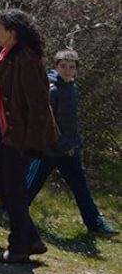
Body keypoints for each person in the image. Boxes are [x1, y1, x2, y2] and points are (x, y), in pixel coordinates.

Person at [0, 8, 58, 263]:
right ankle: (32, 239)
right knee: (2, 185)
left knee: (12, 189)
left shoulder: (26, 59)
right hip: (5, 131)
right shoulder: (7, 54)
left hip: (20, 136)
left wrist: (32, 143)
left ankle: (18, 248)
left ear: (12, 33)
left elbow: (38, 105)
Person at [26, 51, 119, 236]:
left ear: (76, 69)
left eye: (71, 67)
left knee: (80, 187)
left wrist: (74, 144)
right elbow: (47, 122)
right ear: (56, 66)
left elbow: (70, 122)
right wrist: (63, 145)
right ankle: (10, 211)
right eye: (63, 66)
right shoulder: (52, 90)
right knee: (30, 185)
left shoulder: (73, 88)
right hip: (49, 150)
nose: (67, 70)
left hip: (70, 149)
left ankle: (95, 224)